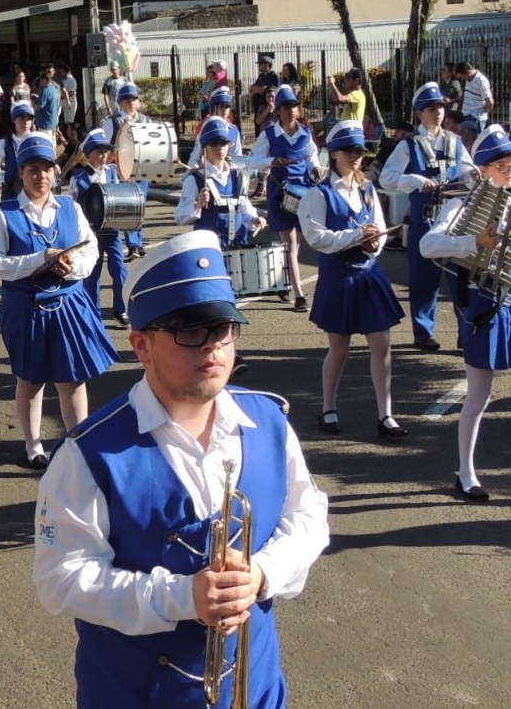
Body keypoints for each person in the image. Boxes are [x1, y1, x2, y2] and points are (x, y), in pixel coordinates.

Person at [32, 230, 330, 709]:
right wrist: (182, 596)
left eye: (224, 328)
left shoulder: (270, 421)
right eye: (190, 331)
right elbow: (61, 580)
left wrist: (261, 573)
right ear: (142, 345)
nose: (212, 347)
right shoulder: (87, 453)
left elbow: (309, 517)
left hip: (255, 689)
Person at [421, 125, 511, 500]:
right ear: (483, 169)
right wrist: (474, 240)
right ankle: (466, 473)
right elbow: (428, 244)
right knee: (479, 395)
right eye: (501, 164)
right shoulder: (463, 204)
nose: (510, 169)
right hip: (485, 307)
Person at [0, 134, 117, 467]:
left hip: (69, 303)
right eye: (32, 169)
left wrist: (72, 268)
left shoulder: (70, 207)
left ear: (55, 172)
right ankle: (33, 445)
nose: (40, 176)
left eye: (46, 169)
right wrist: (39, 260)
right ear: (21, 173)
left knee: (72, 378)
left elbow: (89, 249)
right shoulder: (4, 214)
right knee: (30, 379)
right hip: (25, 307)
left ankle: (78, 442)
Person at [299, 120, 405, 441]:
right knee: (340, 348)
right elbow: (317, 238)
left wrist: (375, 242)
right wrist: (358, 235)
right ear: (334, 154)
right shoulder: (318, 194)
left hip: (368, 273)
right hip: (338, 275)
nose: (356, 156)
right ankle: (328, 407)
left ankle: (385, 414)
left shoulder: (368, 188)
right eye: (349, 150)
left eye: (359, 150)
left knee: (382, 345)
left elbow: (379, 226)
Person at [378, 82, 478, 351]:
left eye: (441, 107)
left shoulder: (455, 141)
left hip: (456, 217)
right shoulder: (408, 145)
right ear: (420, 113)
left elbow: (469, 171)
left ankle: (465, 331)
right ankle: (423, 332)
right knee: (424, 278)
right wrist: (414, 180)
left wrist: (473, 175)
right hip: (425, 216)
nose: (438, 112)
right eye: (431, 108)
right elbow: (387, 179)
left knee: (461, 277)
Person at [244, 84, 318, 312]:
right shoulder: (270, 134)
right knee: (291, 243)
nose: (292, 110)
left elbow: (313, 154)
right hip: (281, 192)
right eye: (287, 107)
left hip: (304, 190)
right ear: (278, 110)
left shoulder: (306, 132)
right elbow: (251, 161)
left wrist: (317, 169)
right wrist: (271, 162)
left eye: (294, 106)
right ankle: (299, 295)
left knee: (297, 243)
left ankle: (284, 280)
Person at [176, 117, 265, 250]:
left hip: (238, 244)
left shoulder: (238, 176)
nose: (220, 147)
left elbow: (243, 208)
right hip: (209, 247)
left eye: (223, 143)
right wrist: (198, 206)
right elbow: (179, 217)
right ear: (205, 147)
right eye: (214, 143)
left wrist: (254, 219)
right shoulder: (195, 179)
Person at [71, 129, 129, 326]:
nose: (104, 156)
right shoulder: (78, 176)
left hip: (112, 231)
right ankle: (92, 312)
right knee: (92, 274)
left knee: (119, 269)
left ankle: (121, 309)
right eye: (99, 152)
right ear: (89, 154)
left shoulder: (113, 172)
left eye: (106, 152)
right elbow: (74, 207)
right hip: (91, 233)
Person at [102, 83, 152, 259]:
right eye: (127, 99)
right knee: (129, 207)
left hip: (142, 170)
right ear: (121, 102)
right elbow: (104, 148)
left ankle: (138, 242)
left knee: (140, 207)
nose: (131, 102)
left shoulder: (146, 121)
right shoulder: (113, 122)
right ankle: (133, 244)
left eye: (134, 98)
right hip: (122, 171)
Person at [0, 101, 40, 200]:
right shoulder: (5, 143)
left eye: (29, 119)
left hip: (33, 193)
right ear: (14, 120)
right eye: (22, 119)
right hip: (11, 194)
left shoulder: (37, 141)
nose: (26, 122)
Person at [187, 86, 242, 168]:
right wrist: (200, 173)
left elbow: (238, 158)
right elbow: (194, 159)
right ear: (214, 108)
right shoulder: (207, 128)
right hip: (208, 175)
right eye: (221, 106)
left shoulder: (234, 130)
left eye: (227, 106)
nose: (224, 109)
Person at [459, 61, 495, 128]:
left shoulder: (481, 82)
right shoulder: (469, 78)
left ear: (467, 73)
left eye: (462, 77)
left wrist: (483, 112)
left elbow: (490, 102)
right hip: (467, 114)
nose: (462, 79)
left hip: (476, 118)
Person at [250, 52, 278, 131]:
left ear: (267, 65)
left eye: (260, 64)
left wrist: (260, 89)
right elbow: (252, 89)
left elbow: (272, 89)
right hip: (258, 106)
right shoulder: (261, 76)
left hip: (267, 105)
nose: (259, 66)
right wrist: (259, 89)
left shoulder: (273, 76)